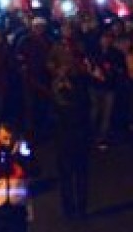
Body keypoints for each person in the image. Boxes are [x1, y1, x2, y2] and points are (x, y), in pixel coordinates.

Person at [0, 123, 37, 232]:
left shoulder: (22, 149)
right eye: (4, 138)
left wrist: (16, 155)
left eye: (11, 138)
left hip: (17, 209)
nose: (8, 142)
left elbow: (35, 170)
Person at [52, 66, 92, 220]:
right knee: (75, 178)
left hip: (70, 141)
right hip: (72, 141)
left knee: (72, 178)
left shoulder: (69, 99)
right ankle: (75, 209)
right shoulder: (77, 98)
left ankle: (73, 209)